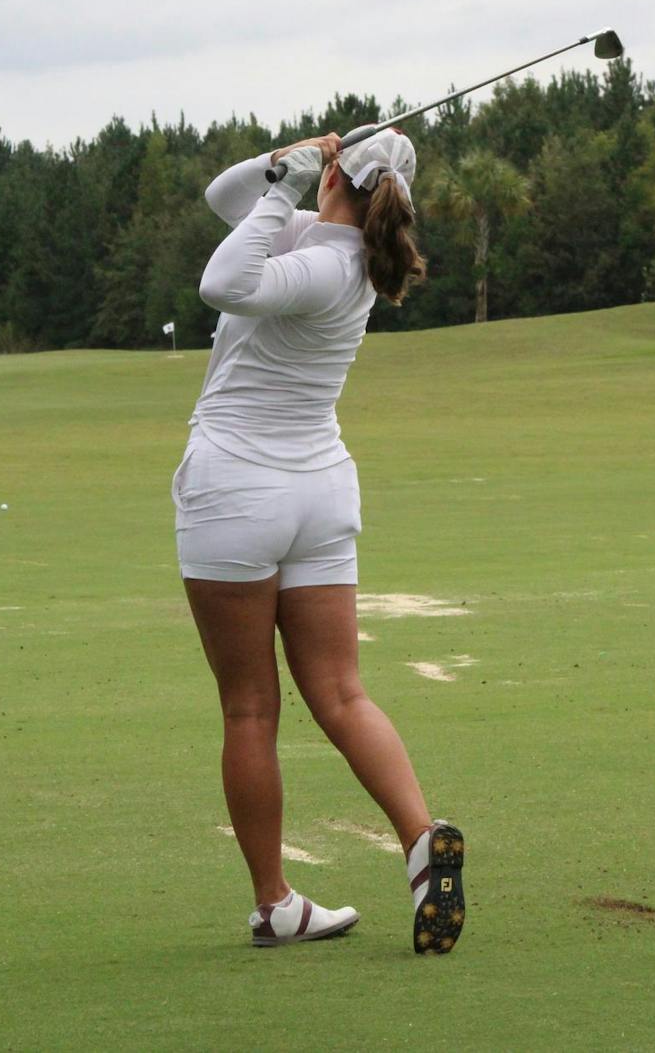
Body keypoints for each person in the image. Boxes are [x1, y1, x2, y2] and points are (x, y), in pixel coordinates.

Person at [173, 128, 465, 954]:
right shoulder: (342, 255)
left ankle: (274, 902)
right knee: (341, 693)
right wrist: (289, 163)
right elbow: (225, 202)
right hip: (319, 491)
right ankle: (418, 839)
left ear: (339, 179)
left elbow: (220, 280)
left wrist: (288, 184)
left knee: (250, 706)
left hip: (237, 487)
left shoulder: (317, 265)